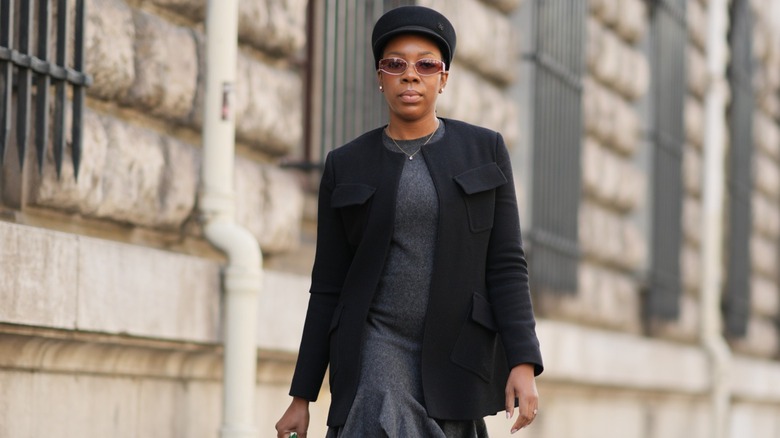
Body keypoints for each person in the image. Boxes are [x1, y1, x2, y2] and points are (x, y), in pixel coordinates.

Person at [275, 5, 543, 437]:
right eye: (395, 64)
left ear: (444, 77)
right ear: (380, 76)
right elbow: (328, 286)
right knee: (385, 415)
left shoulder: (485, 150)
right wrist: (301, 397)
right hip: (375, 345)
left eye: (426, 64)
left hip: (457, 352)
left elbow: (507, 265)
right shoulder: (346, 164)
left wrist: (523, 362)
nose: (410, 75)